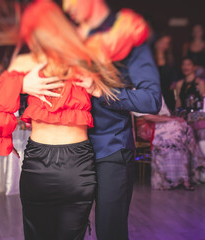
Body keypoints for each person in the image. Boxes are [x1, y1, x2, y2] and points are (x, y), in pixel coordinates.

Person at [21, 0, 162, 239]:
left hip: (110, 151)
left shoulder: (127, 36)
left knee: (109, 232)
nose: (66, 8)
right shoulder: (66, 37)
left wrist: (101, 91)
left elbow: (152, 100)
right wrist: (25, 86)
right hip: (69, 155)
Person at [136, 98, 205, 190]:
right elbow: (147, 117)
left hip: (161, 122)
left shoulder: (155, 90)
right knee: (179, 128)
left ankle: (185, 177)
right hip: (147, 126)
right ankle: (199, 163)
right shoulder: (137, 91)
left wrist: (171, 118)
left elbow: (164, 112)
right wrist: (172, 119)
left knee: (185, 129)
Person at [153, 33, 176, 111]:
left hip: (167, 93)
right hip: (154, 92)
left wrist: (174, 81)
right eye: (162, 42)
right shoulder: (149, 57)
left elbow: (172, 74)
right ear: (156, 42)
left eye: (167, 43)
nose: (164, 45)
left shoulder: (170, 57)